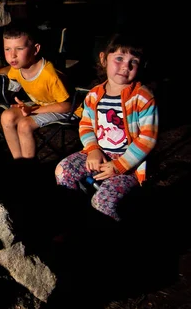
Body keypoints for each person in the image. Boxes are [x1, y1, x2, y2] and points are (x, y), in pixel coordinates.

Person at [54, 32, 158, 221]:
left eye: (133, 61)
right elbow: (85, 125)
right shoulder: (94, 95)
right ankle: (73, 219)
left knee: (103, 201)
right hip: (98, 154)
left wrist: (119, 166)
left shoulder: (142, 97)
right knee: (63, 171)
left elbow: (147, 138)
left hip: (129, 165)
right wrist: (92, 149)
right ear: (103, 59)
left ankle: (106, 238)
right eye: (119, 58)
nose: (126, 66)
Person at [0, 19, 74, 159]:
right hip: (41, 105)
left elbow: (66, 105)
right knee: (7, 116)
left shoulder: (50, 75)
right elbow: (9, 71)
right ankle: (18, 161)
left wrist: (32, 110)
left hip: (66, 109)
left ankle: (28, 168)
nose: (12, 55)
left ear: (35, 49)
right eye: (8, 49)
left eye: (19, 49)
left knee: (25, 125)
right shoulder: (19, 67)